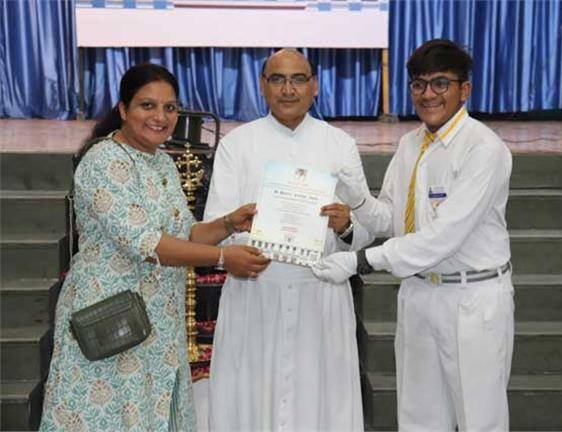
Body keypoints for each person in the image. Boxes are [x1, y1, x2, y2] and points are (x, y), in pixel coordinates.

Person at [40, 63, 270, 432]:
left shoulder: (161, 161)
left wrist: (229, 223)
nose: (160, 117)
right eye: (147, 106)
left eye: (170, 107)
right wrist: (223, 257)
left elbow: (185, 234)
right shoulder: (104, 160)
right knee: (108, 418)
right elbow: (148, 243)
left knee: (150, 415)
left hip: (157, 323)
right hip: (111, 319)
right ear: (123, 109)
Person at [312, 39, 515, 431]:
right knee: (419, 418)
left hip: (472, 298)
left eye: (440, 83)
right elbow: (391, 218)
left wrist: (359, 261)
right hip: (419, 293)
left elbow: (444, 237)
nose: (428, 94)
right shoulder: (410, 144)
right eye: (419, 84)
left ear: (464, 89)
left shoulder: (483, 149)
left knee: (479, 420)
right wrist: (357, 200)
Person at [204, 48, 371, 432]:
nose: (288, 89)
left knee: (322, 404)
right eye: (278, 79)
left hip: (320, 293)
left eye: (298, 79)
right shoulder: (238, 144)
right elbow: (215, 225)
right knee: (251, 401)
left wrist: (346, 226)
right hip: (256, 291)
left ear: (315, 85)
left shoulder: (339, 144)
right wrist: (236, 236)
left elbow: (364, 232)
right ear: (262, 85)